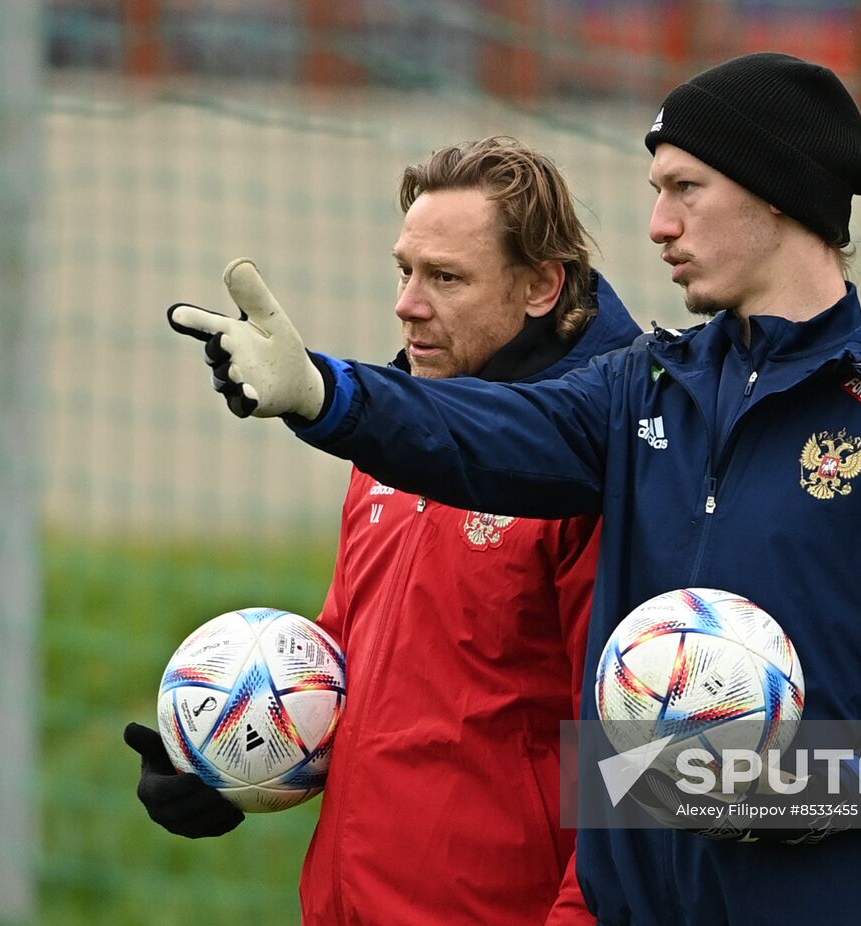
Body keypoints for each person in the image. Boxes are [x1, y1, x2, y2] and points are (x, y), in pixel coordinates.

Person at [166, 55, 861, 926]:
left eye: (684, 190)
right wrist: (327, 393)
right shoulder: (645, 386)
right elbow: (486, 433)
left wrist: (810, 791)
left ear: (775, 191)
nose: (658, 226)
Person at [132, 137, 640, 925]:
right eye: (405, 270)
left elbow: (631, 755)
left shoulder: (593, 466)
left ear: (542, 286)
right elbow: (343, 672)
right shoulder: (388, 440)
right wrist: (224, 758)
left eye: (445, 278)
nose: (407, 303)